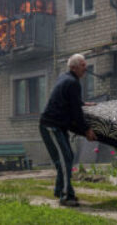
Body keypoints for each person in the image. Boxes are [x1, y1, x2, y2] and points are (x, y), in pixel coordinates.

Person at [39, 53, 96, 207]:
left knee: (68, 157)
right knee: (65, 160)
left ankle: (60, 190)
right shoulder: (72, 82)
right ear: (73, 67)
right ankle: (66, 196)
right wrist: (86, 130)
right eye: (82, 65)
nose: (86, 68)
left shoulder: (67, 78)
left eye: (85, 64)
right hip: (51, 125)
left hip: (57, 125)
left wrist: (82, 103)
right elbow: (75, 112)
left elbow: (70, 102)